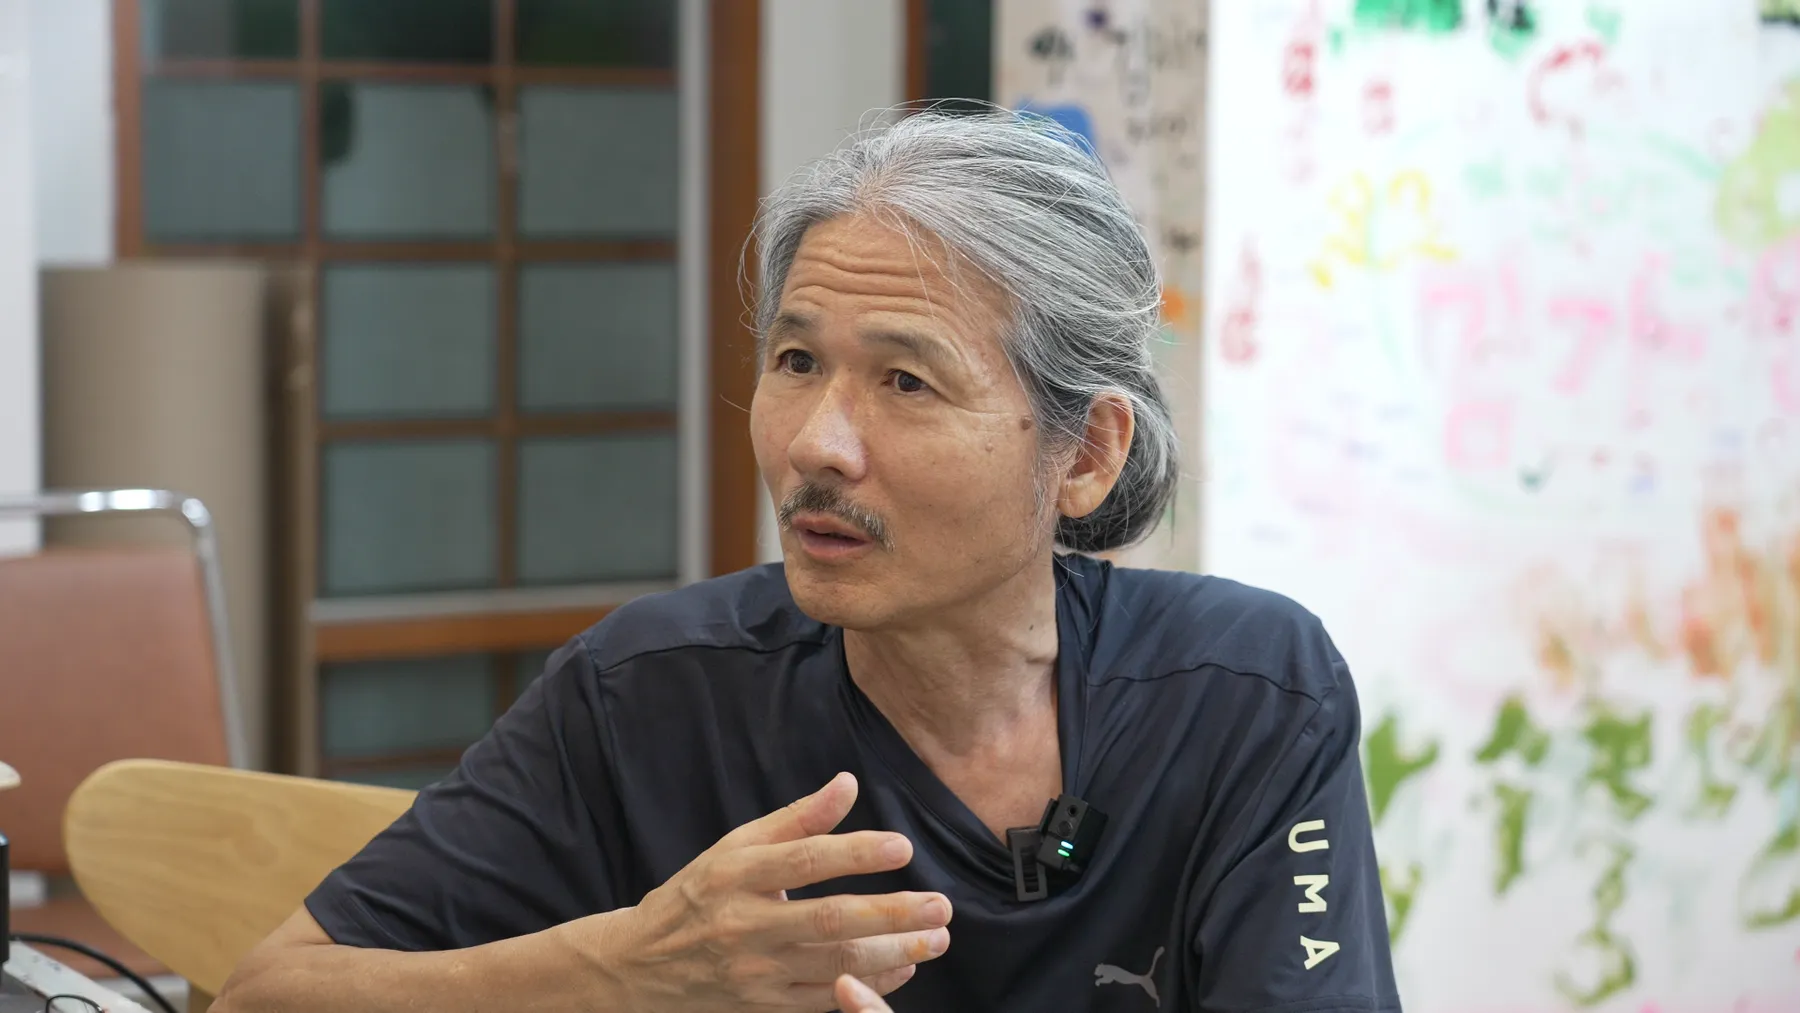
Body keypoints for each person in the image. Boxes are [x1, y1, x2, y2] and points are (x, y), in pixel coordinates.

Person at [213, 109, 1401, 1013]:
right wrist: (624, 967)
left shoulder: (1247, 693)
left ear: (1084, 453)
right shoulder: (650, 692)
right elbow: (267, 994)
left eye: (906, 380)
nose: (816, 444)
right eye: (795, 362)